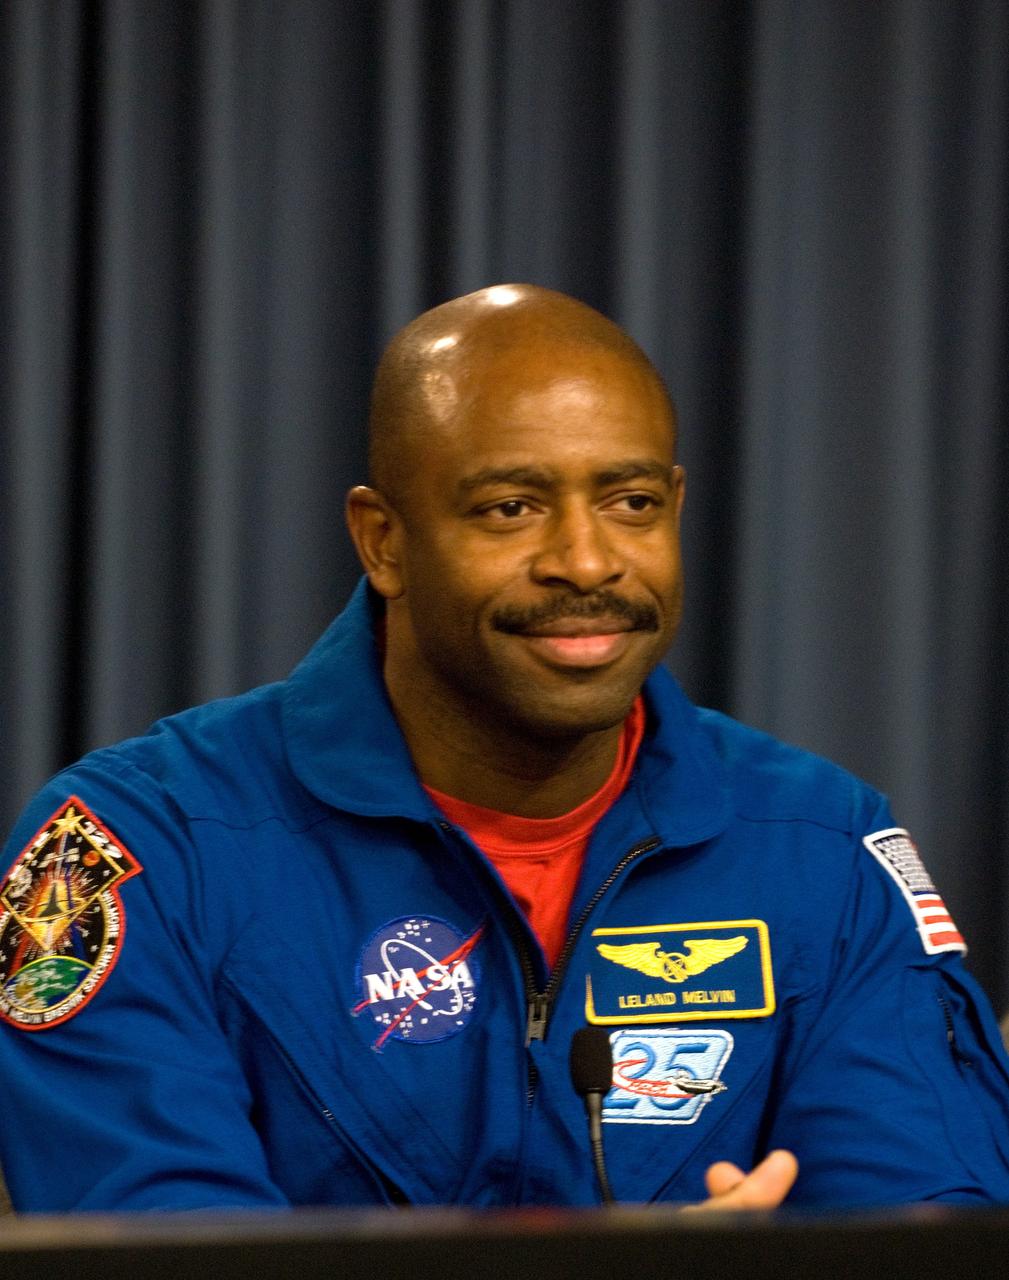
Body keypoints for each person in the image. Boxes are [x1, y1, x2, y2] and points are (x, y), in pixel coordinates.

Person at [1, 284, 1007, 1213]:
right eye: (510, 507)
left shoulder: (829, 852)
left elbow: (928, 1228)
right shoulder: (129, 853)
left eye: (631, 502)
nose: (586, 559)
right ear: (383, 539)